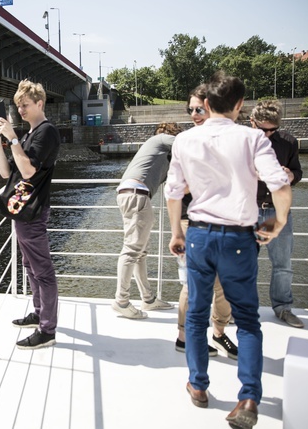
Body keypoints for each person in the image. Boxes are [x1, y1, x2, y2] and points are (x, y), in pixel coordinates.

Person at [165, 72, 291, 429]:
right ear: (239, 105)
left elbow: (174, 191)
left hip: (199, 234)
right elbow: (279, 184)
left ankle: (198, 386)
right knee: (248, 319)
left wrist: (176, 231)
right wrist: (275, 225)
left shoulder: (185, 140)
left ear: (205, 104)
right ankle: (249, 396)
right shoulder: (253, 138)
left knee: (196, 314)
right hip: (239, 238)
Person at [0, 79, 61, 350]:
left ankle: (48, 329)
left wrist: (14, 139)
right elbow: (7, 173)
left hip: (33, 212)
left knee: (43, 271)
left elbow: (29, 171)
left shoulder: (47, 132)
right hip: (23, 212)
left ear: (39, 104)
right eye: (18, 106)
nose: (20, 110)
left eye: (25, 105)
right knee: (30, 267)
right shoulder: (30, 135)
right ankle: (39, 313)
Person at [175, 86, 237, 360]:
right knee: (194, 284)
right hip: (193, 223)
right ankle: (183, 337)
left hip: (226, 222)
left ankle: (220, 334)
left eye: (199, 109)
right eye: (190, 110)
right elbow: (179, 188)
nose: (194, 115)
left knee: (225, 284)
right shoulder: (185, 142)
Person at [111, 122, 179, 319]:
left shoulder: (161, 156)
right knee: (132, 250)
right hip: (137, 195)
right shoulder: (160, 138)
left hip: (132, 194)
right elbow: (185, 144)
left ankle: (148, 299)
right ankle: (121, 301)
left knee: (139, 251)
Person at [250, 99, 304, 328]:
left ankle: (283, 308)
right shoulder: (242, 142)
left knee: (282, 264)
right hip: (248, 211)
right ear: (252, 122)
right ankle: (242, 309)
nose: (269, 134)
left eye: (273, 129)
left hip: (274, 213)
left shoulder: (288, 142)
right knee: (244, 264)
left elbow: (298, 171)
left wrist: (290, 176)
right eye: (263, 129)